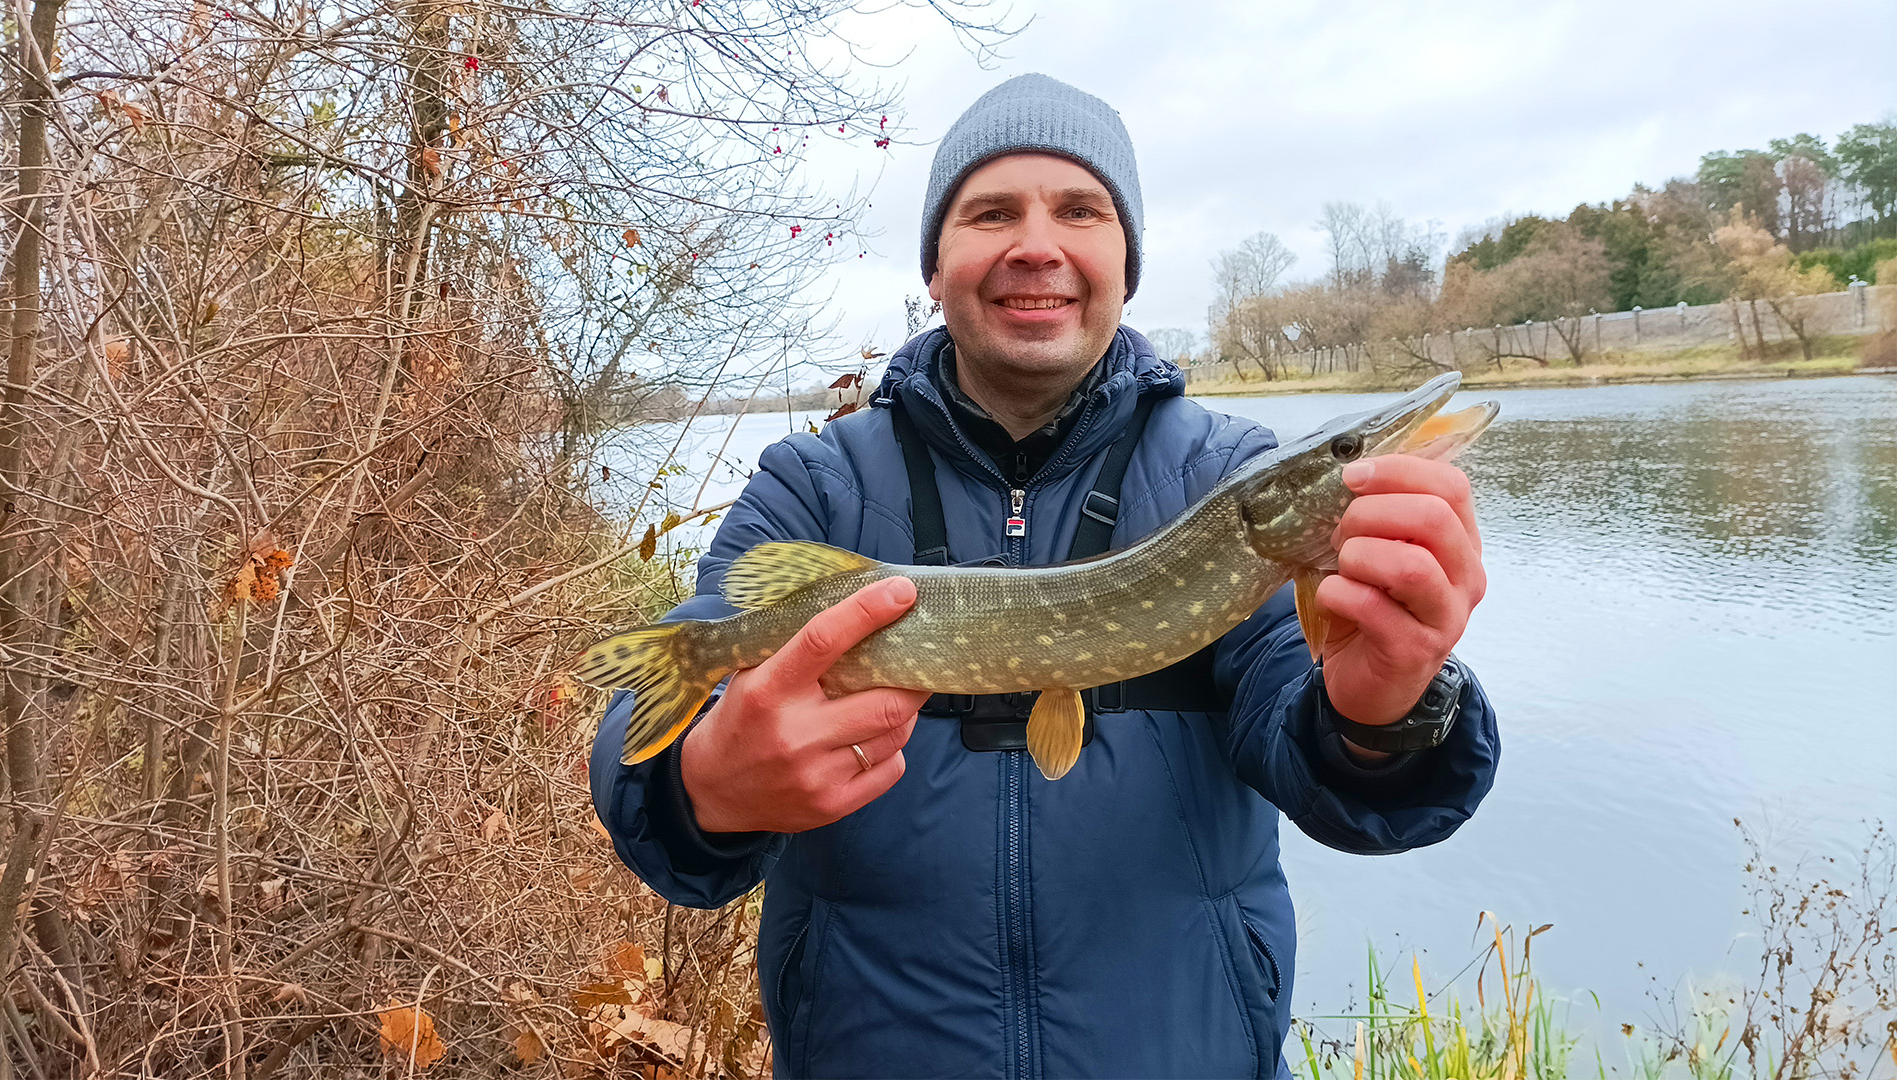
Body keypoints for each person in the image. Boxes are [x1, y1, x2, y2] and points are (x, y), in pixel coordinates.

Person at [591, 74, 1499, 1079]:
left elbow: (1324, 758)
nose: (1036, 244)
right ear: (935, 265)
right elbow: (652, 751)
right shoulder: (815, 484)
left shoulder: (1228, 476)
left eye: (1079, 210)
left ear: (1126, 262)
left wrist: (1388, 710)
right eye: (991, 213)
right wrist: (703, 782)